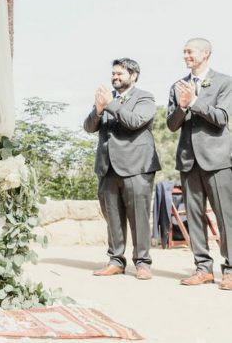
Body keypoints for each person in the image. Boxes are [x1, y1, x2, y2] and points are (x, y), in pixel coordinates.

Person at [84, 59, 160, 280]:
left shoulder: (145, 97)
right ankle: (116, 260)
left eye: (120, 74)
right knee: (113, 217)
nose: (115, 77)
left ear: (134, 75)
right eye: (113, 74)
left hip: (137, 166)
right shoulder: (107, 100)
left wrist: (110, 105)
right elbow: (89, 127)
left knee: (139, 217)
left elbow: (135, 121)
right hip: (108, 168)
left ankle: (143, 262)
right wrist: (98, 110)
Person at [166, 38, 232, 290]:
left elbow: (221, 118)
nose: (185, 55)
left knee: (226, 216)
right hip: (188, 159)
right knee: (194, 216)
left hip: (217, 160)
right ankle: (203, 268)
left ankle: (230, 269)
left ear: (205, 54)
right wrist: (182, 107)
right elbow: (172, 125)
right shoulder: (177, 86)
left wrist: (195, 102)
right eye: (183, 52)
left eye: (189, 51)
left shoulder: (225, 82)